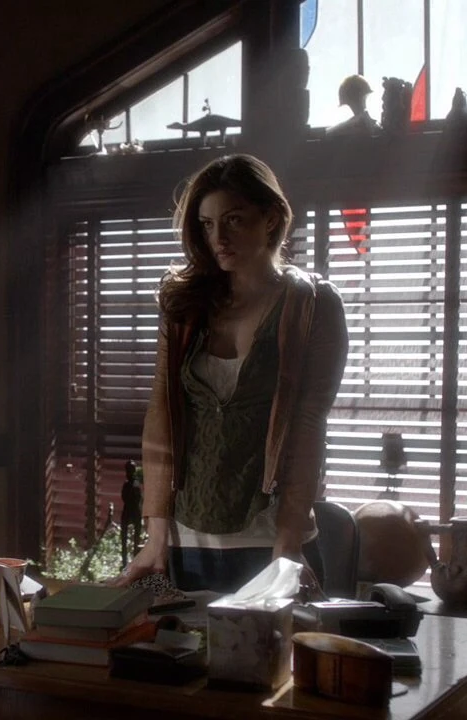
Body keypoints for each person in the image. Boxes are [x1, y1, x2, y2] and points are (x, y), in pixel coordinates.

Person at [110, 154, 348, 594]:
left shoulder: (312, 304)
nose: (218, 238)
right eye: (207, 224)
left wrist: (287, 546)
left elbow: (308, 426)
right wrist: (156, 537)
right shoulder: (185, 305)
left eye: (234, 220)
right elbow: (161, 421)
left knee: (274, 642)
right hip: (185, 540)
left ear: (270, 219)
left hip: (271, 538)